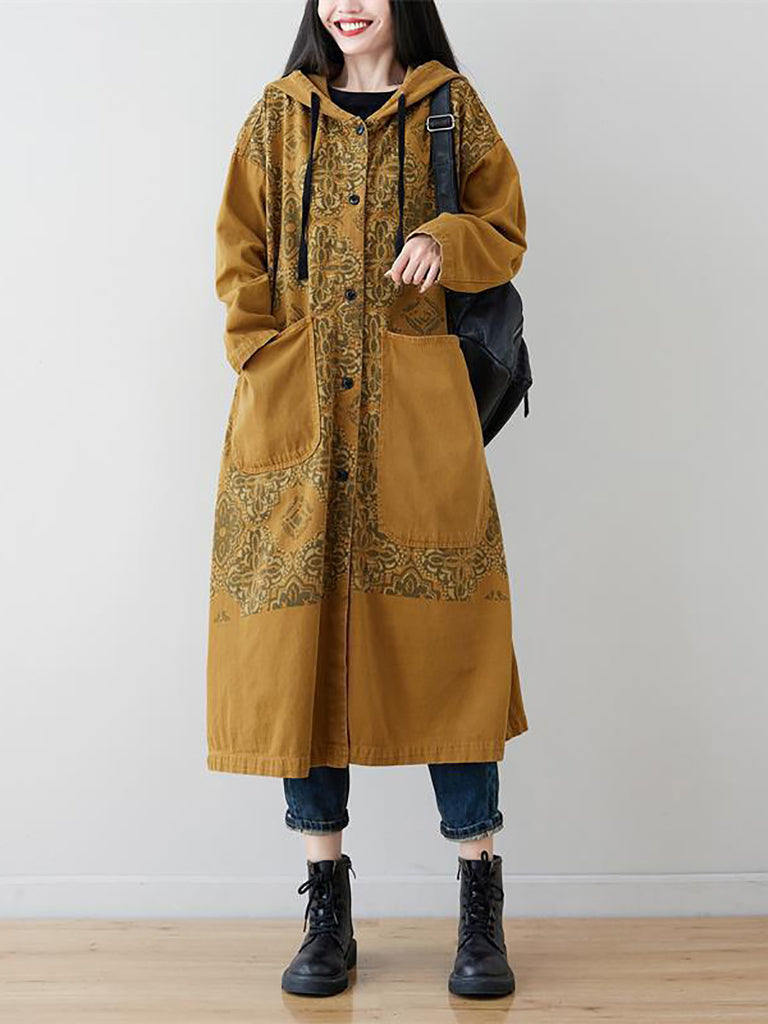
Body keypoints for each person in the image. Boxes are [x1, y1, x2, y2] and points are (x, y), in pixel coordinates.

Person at [206, 0, 529, 1000]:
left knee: (452, 655)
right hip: (296, 424)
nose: (347, 5)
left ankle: (479, 907)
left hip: (414, 426)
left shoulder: (450, 109)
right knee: (296, 657)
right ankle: (326, 912)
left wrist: (445, 235)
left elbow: (504, 231)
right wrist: (264, 355)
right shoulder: (278, 116)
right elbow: (239, 248)